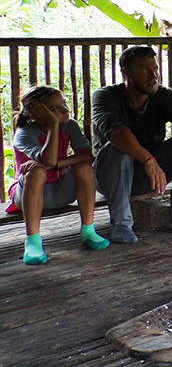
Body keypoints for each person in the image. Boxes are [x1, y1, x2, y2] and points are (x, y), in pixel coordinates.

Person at [92, 45, 172, 244]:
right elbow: (116, 133)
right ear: (127, 73)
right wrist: (148, 159)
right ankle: (121, 224)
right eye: (145, 70)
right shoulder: (105, 96)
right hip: (111, 177)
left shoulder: (162, 95)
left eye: (155, 69)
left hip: (150, 175)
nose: (154, 76)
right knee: (118, 150)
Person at [6, 85, 110, 264]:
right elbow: (47, 160)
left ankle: (88, 230)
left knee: (83, 168)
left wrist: (56, 164)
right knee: (36, 172)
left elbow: (87, 155)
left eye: (64, 104)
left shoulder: (70, 126)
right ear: (35, 115)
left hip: (60, 190)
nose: (65, 110)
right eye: (55, 108)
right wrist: (53, 126)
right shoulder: (24, 133)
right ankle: (33, 241)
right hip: (27, 196)